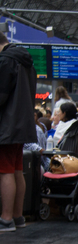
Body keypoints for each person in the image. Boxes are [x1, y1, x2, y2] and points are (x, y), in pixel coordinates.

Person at [0, 31, 37, 232]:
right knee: (16, 170)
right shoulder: (26, 62)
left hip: (6, 125)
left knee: (4, 171)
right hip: (22, 124)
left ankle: (5, 219)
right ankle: (17, 216)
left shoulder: (5, 61)